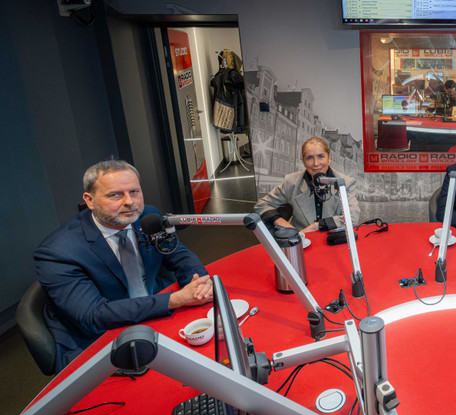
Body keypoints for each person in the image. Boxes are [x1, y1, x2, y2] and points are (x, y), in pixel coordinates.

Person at [34, 160, 213, 372]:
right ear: (89, 200)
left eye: (134, 191)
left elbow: (179, 254)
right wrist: (176, 300)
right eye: (115, 195)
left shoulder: (147, 216)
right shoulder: (58, 251)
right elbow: (94, 315)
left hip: (155, 305)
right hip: (102, 334)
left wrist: (200, 283)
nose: (130, 202)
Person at [254, 137, 360, 232]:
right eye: (309, 158)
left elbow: (352, 218)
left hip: (331, 240)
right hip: (301, 240)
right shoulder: (291, 181)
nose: (316, 163)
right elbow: (261, 205)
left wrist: (317, 226)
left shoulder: (346, 183)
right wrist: (283, 223)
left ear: (329, 157)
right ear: (303, 161)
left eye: (321, 156)